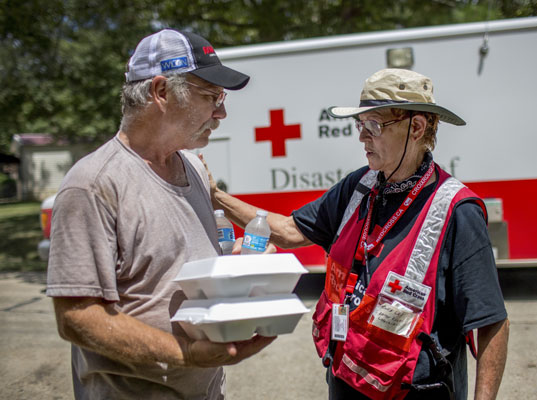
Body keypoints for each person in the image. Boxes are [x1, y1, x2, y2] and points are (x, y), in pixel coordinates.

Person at [209, 69, 509, 399]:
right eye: (360, 125)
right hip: (347, 379)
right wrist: (216, 196)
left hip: (417, 390)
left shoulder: (456, 209)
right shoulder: (360, 185)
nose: (362, 137)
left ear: (417, 127)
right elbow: (290, 231)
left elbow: (491, 322)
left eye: (374, 126)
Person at [45, 29, 275, 399]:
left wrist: (237, 270)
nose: (222, 111)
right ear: (161, 92)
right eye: (210, 96)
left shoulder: (195, 170)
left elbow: (178, 268)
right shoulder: (93, 184)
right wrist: (186, 354)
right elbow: (76, 318)